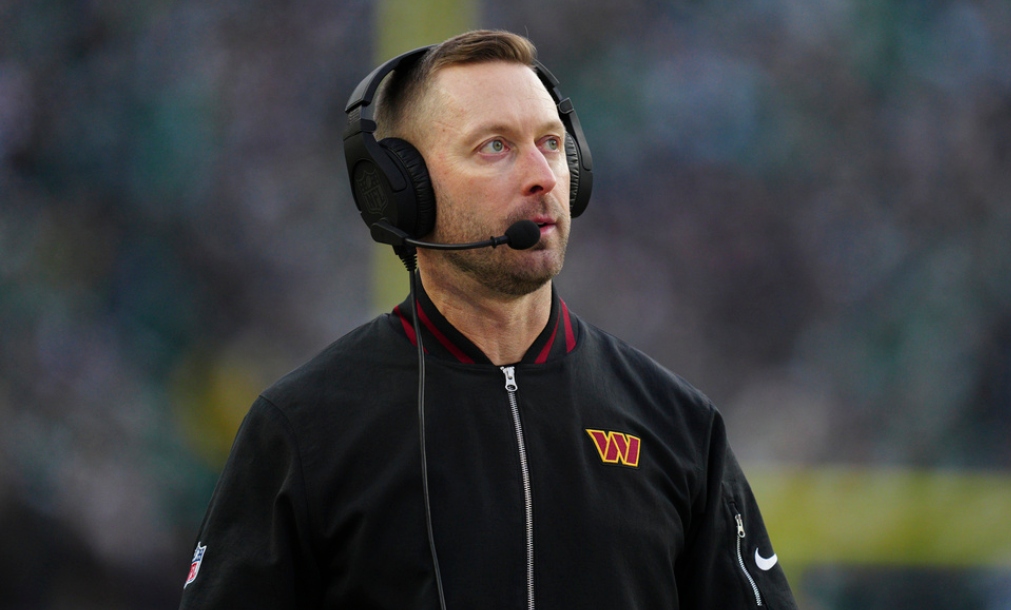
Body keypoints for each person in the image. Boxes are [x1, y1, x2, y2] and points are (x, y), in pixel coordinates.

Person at [178, 29, 798, 610]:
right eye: (495, 146)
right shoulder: (303, 430)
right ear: (400, 190)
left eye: (551, 144)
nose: (541, 177)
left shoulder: (678, 424)